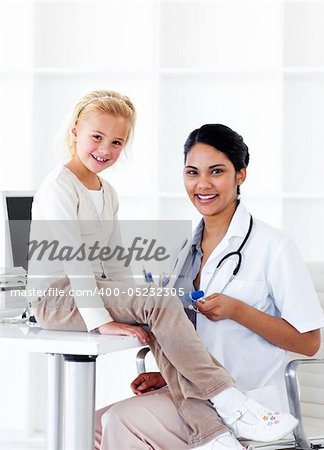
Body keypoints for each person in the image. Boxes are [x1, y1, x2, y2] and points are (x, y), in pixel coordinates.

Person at [27, 96, 298, 450]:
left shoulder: (106, 191)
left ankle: (212, 437)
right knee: (159, 302)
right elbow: (75, 260)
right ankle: (230, 403)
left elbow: (113, 261)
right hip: (58, 298)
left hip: (93, 290)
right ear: (75, 130)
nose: (104, 149)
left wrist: (134, 306)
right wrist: (101, 320)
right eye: (96, 137)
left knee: (160, 313)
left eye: (117, 142)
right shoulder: (59, 187)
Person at [95, 123, 324, 450]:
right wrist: (168, 376)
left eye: (216, 171)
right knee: (89, 425)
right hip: (194, 393)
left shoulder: (274, 246)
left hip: (250, 398)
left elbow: (309, 342)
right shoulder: (183, 251)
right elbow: (184, 336)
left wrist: (238, 311)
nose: (202, 184)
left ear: (240, 175)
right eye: (192, 172)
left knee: (121, 420)